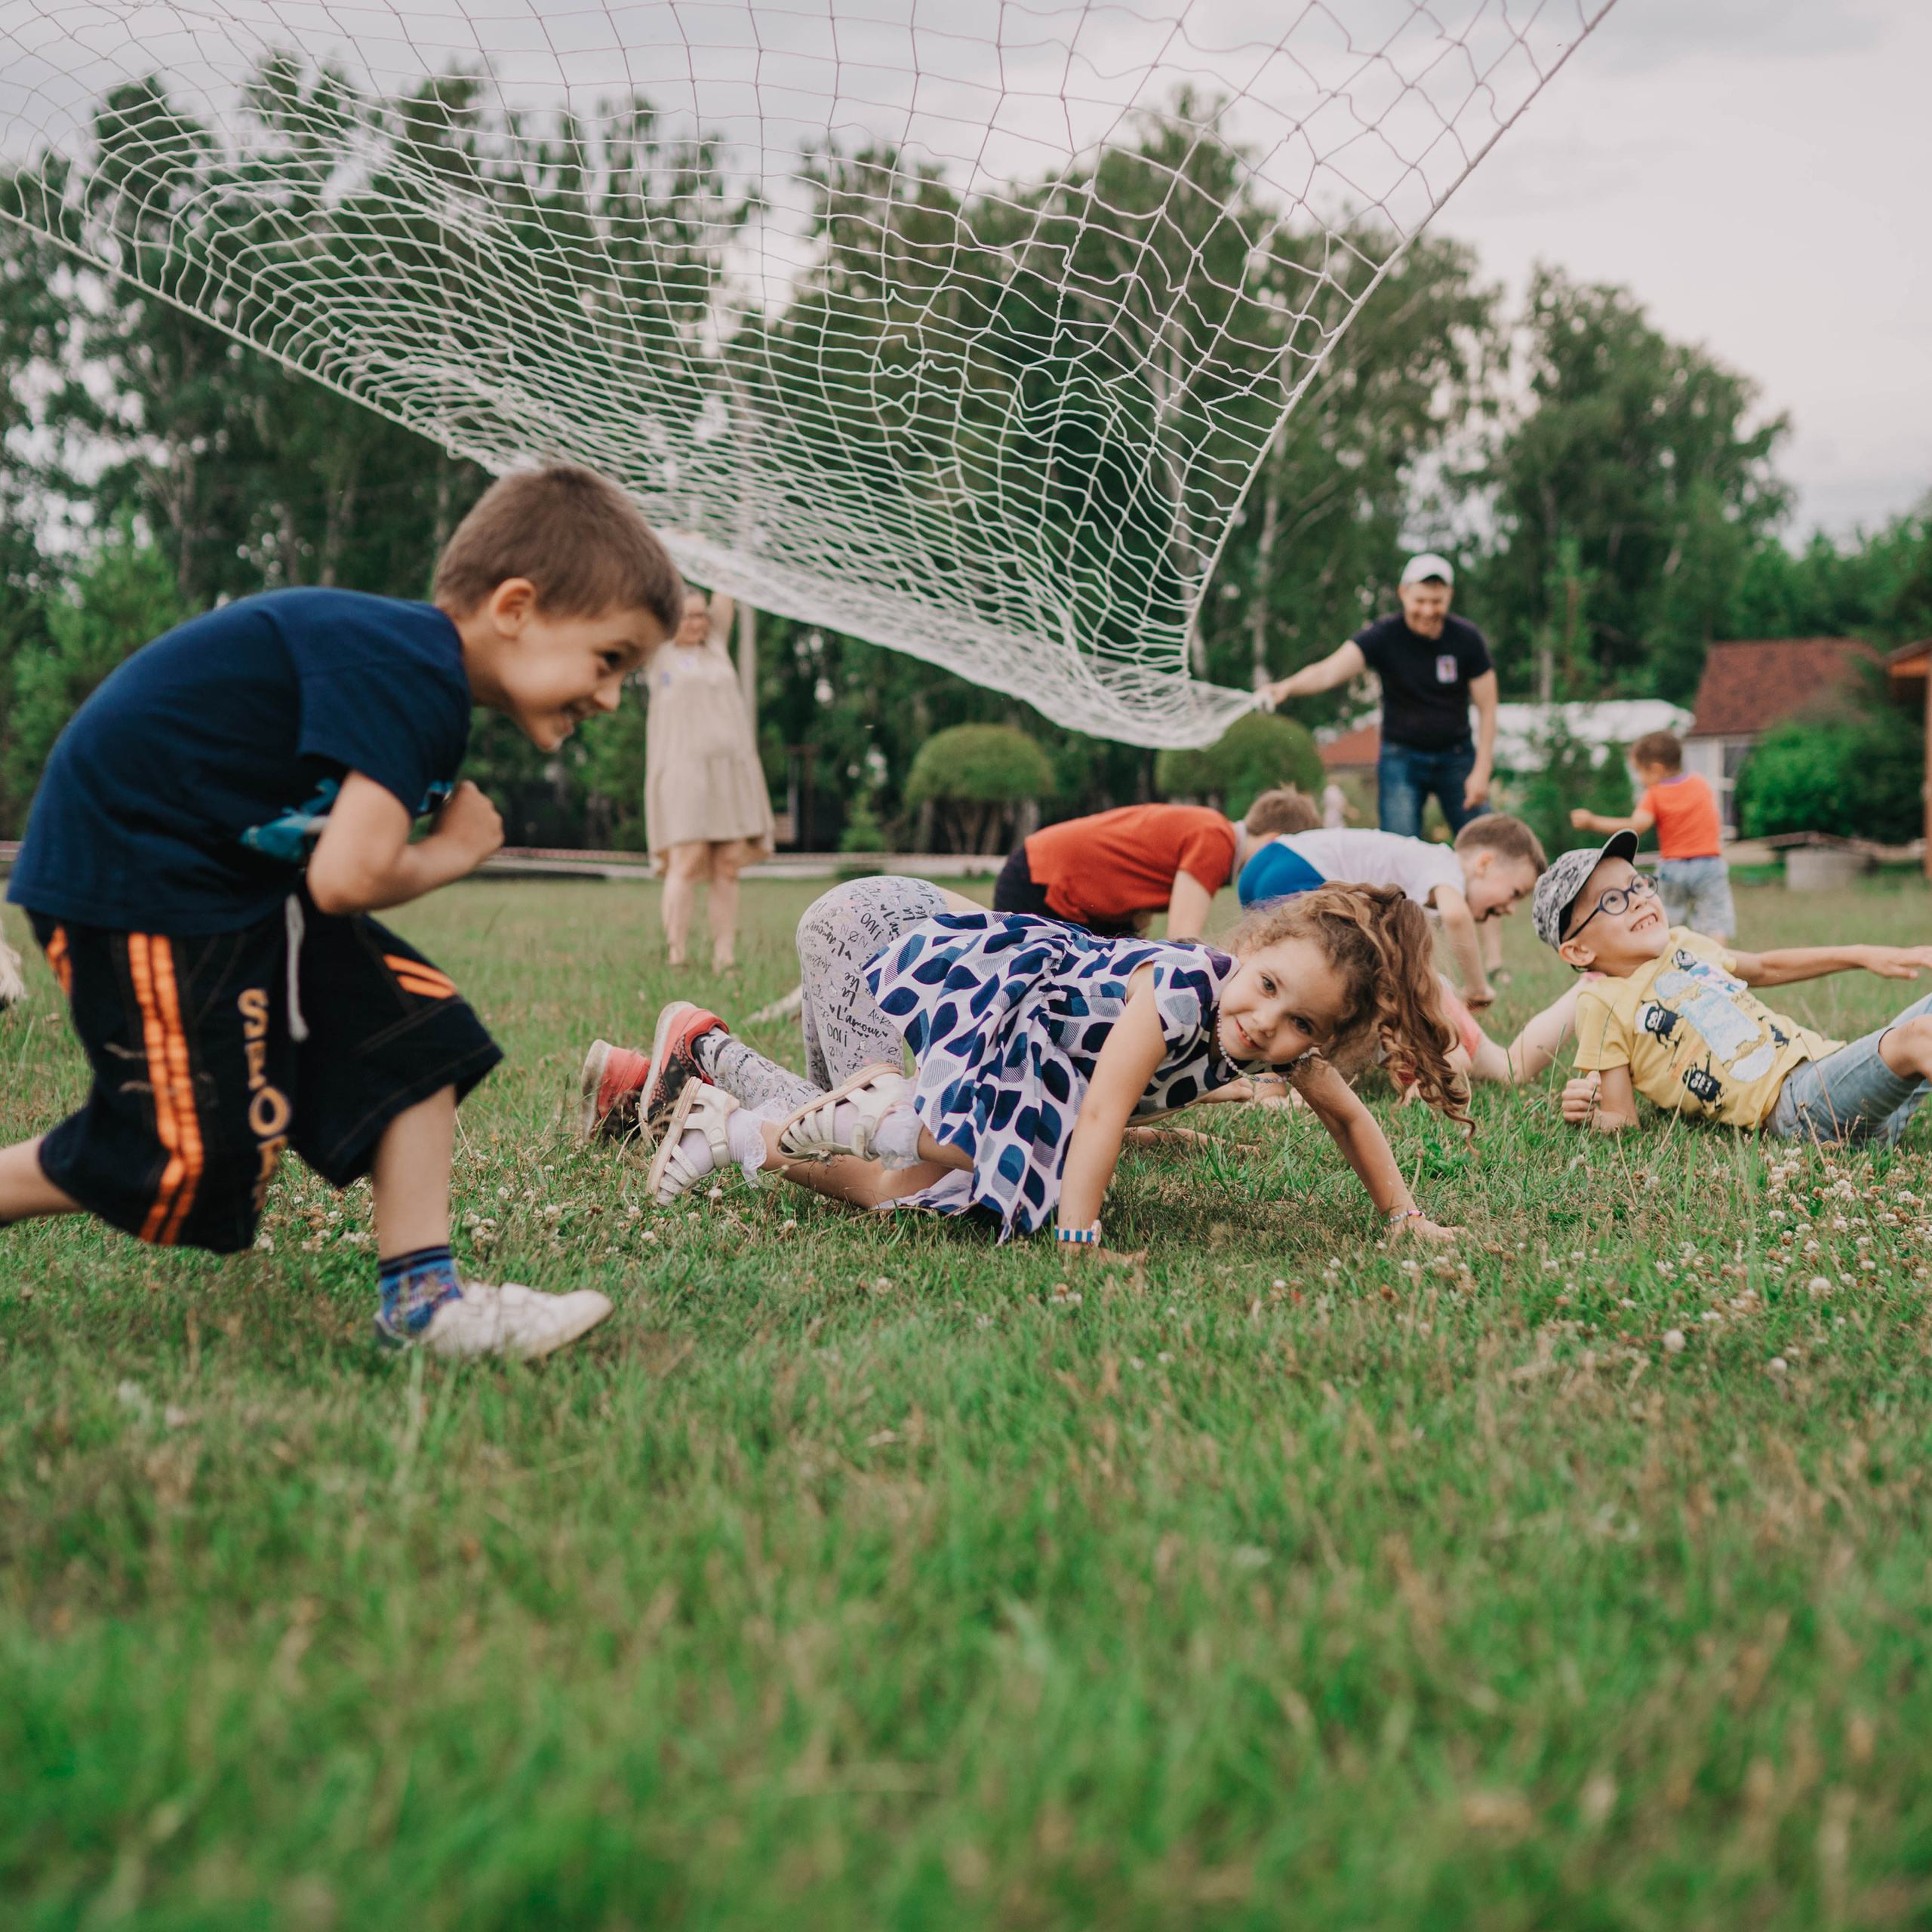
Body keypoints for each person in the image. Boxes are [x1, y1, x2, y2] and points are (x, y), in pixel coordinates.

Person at [0, 465, 684, 1359]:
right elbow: (343, 879)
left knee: (413, 1035)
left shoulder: (419, 674)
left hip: (230, 880)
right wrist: (454, 849)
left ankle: (423, 1302)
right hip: (139, 872)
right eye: (610, 660)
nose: (608, 697)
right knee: (186, 1160)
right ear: (515, 606)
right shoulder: (414, 672)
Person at [623, 875, 1468, 1251]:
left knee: (913, 1193)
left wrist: (1404, 1217)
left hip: (1016, 1036)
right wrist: (1078, 1232)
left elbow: (1350, 1116)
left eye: (1298, 1024)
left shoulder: (1276, 1038)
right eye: (1269, 986)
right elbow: (1099, 1109)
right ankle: (703, 1051)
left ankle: (727, 1127)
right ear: (1248, 945)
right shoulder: (1179, 988)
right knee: (927, 1135)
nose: (1266, 1024)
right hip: (890, 935)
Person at [1534, 831, 1932, 1143]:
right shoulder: (1601, 1002)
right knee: (1916, 1037)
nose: (1639, 900)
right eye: (1613, 901)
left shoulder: (1683, 943)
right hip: (1798, 1107)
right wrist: (1589, 1113)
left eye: (1638, 885)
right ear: (1579, 950)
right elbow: (1622, 1119)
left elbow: (1766, 966)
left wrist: (1861, 954)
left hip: (1834, 1075)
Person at [1258, 553, 1497, 844]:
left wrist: (1482, 769)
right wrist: (1287, 687)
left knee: (1488, 842)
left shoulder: (1467, 639)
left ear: (1449, 596)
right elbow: (1328, 672)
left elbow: (1488, 706)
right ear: (1403, 593)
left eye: (1436, 602)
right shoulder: (1384, 636)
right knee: (1397, 849)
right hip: (1402, 758)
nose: (1427, 610)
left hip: (1457, 758)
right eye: (1419, 601)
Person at [1236, 814, 1546, 1010]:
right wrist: (1477, 987)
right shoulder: (1445, 865)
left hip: (1267, 863)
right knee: (1310, 974)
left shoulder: (1425, 873)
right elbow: (1457, 916)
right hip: (1302, 869)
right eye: (1515, 893)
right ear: (1484, 864)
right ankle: (1277, 1077)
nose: (1510, 908)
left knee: (1258, 963)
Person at [645, 586, 774, 971]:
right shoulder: (659, 652)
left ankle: (724, 955)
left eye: (702, 616)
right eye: (689, 616)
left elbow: (726, 593)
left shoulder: (716, 646)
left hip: (729, 771)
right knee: (684, 861)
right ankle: (677, 954)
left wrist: (704, 548)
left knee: (727, 864)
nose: (698, 623)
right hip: (682, 770)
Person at [992, 802, 1247, 940]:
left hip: (1044, 874)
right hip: (1039, 883)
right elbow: (1181, 942)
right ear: (1271, 838)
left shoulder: (1211, 826)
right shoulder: (1218, 838)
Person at [1570, 729, 1733, 940]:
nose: (1640, 779)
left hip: (1674, 867)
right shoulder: (1701, 784)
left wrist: (1592, 821)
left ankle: (1670, 964)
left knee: (1670, 921)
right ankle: (1720, 965)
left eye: (1640, 772)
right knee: (1715, 920)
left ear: (1657, 769)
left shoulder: (1655, 794)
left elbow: (1636, 826)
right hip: (1710, 864)